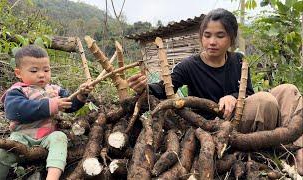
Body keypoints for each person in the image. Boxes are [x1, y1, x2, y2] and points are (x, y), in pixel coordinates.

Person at [128, 8, 302, 175]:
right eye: (207, 35)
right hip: (220, 126)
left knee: (289, 90)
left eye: (220, 36)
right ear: (201, 37)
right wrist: (144, 87)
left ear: (231, 39)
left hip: (242, 110)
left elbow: (248, 92)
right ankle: (280, 149)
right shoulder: (189, 66)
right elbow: (163, 89)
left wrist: (233, 97)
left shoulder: (238, 61)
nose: (212, 41)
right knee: (265, 101)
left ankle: (297, 148)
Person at [0, 45, 92, 180]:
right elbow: (16, 110)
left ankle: (52, 177)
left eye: (46, 70)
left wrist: (81, 95)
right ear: (18, 73)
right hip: (21, 138)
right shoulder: (17, 91)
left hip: (48, 137)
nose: (42, 74)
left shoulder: (54, 90)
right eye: (34, 70)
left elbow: (70, 104)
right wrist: (51, 105)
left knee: (60, 137)